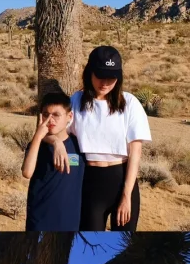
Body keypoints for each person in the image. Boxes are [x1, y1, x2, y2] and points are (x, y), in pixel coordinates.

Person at [55, 45, 150, 230]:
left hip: (122, 180)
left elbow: (135, 153)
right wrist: (57, 142)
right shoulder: (76, 101)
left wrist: (126, 196)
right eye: (100, 75)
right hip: (88, 182)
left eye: (111, 77)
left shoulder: (130, 103)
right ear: (90, 72)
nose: (105, 83)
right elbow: (57, 133)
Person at [22, 88, 84, 232]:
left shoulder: (79, 145)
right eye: (46, 115)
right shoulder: (37, 145)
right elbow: (27, 172)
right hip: (39, 219)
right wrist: (39, 136)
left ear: (69, 116)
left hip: (70, 220)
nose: (51, 120)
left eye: (56, 115)